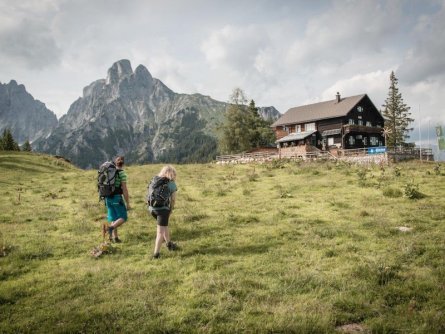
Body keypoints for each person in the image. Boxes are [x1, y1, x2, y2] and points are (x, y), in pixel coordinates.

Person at [148, 165, 178, 259]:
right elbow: (173, 200)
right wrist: (171, 210)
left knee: (164, 226)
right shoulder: (171, 183)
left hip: (152, 208)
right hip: (162, 210)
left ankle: (169, 244)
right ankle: (156, 254)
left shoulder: (155, 180)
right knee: (160, 232)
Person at [106, 156, 131, 242]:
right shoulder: (122, 173)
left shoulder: (109, 172)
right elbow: (124, 189)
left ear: (115, 163)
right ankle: (110, 228)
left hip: (108, 198)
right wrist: (127, 203)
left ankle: (114, 238)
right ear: (123, 163)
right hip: (116, 198)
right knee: (123, 217)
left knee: (114, 218)